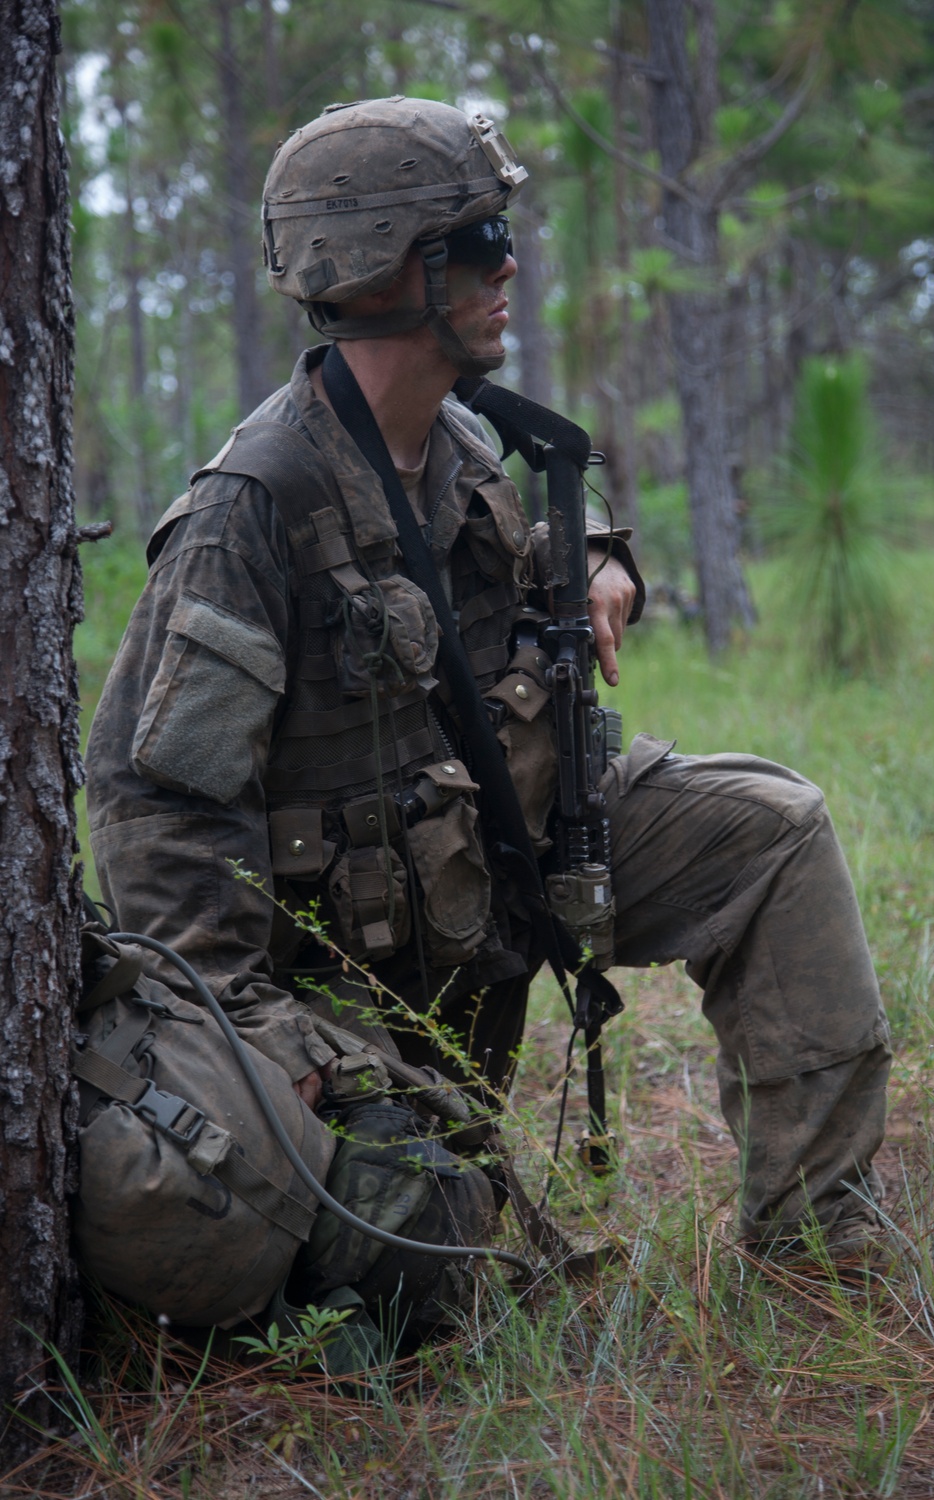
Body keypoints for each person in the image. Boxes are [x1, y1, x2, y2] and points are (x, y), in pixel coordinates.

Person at [85, 98, 891, 1314]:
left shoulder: (460, 443)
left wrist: (603, 558)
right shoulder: (255, 510)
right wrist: (259, 1043)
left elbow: (509, 586)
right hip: (361, 967)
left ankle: (819, 1254)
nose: (507, 266)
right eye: (473, 241)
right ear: (375, 266)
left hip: (507, 857)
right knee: (455, 1276)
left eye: (498, 234)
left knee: (772, 829)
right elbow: (154, 809)